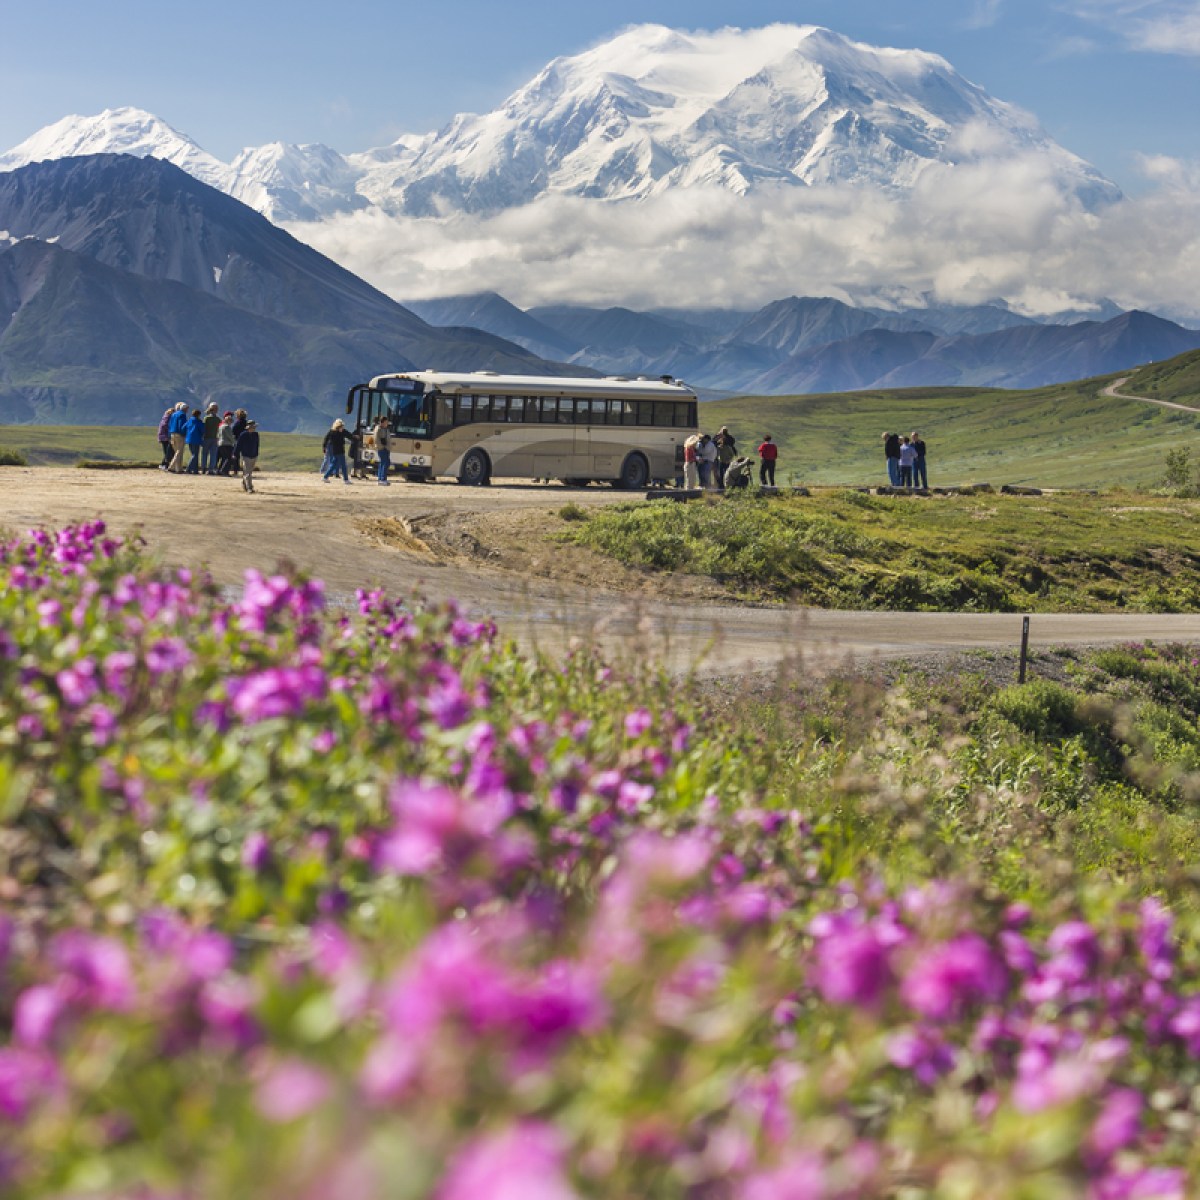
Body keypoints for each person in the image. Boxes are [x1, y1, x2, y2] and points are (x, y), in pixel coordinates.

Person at [322, 419, 352, 484]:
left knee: (333, 464)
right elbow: (326, 439)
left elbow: (349, 435)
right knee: (343, 465)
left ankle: (325, 477)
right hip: (339, 451)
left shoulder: (334, 431)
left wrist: (324, 447)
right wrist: (324, 447)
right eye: (341, 426)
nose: (342, 427)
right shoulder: (334, 432)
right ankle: (346, 480)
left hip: (336, 450)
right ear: (338, 426)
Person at [236, 420, 260, 493]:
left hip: (254, 455)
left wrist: (256, 453)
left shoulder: (256, 434)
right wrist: (235, 453)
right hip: (246, 455)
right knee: (248, 472)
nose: (253, 428)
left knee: (249, 472)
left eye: (254, 427)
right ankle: (249, 487)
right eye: (252, 427)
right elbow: (238, 445)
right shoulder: (243, 435)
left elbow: (257, 445)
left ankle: (245, 484)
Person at [167, 403, 189, 473]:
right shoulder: (182, 415)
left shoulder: (174, 414)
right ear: (185, 409)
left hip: (172, 434)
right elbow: (182, 425)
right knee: (179, 451)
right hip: (179, 435)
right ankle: (171, 467)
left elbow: (170, 424)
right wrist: (184, 433)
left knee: (177, 451)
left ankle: (179, 468)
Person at [184, 408, 205, 475]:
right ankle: (188, 468)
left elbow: (183, 427)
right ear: (198, 415)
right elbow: (203, 430)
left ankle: (195, 470)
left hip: (189, 439)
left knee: (194, 454)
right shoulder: (198, 422)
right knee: (195, 455)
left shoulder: (189, 421)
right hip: (196, 440)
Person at [374, 415, 392, 486]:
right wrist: (384, 447)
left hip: (384, 448)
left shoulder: (383, 429)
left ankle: (381, 478)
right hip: (383, 448)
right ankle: (382, 479)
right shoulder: (380, 429)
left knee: (383, 463)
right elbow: (380, 440)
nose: (387, 424)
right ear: (383, 422)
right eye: (386, 422)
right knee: (385, 463)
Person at [156, 405, 174, 469]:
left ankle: (164, 465)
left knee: (166, 452)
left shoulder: (164, 418)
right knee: (167, 452)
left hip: (162, 437)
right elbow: (166, 426)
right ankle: (164, 465)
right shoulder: (168, 418)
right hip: (165, 437)